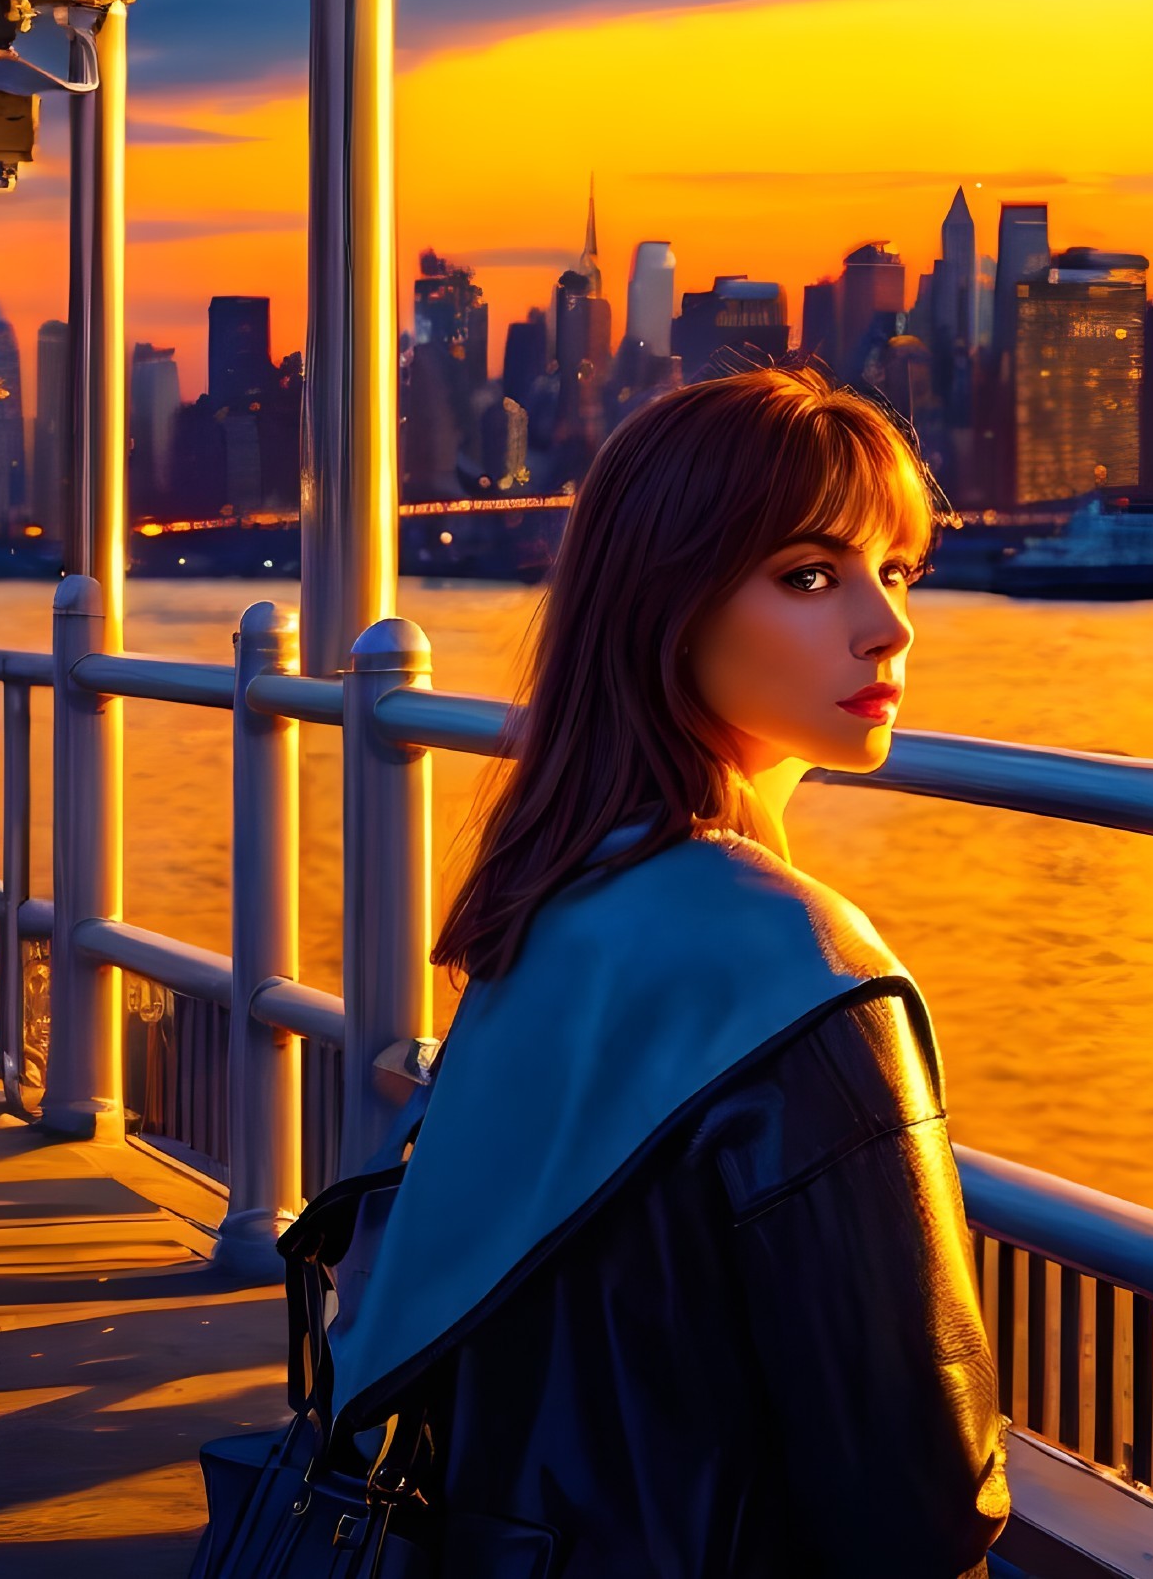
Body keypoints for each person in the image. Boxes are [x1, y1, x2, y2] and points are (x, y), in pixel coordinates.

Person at [328, 366, 1006, 1577]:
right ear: (669, 605)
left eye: (893, 572)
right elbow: (921, 1502)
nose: (888, 626)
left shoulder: (549, 911)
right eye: (810, 575)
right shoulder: (804, 984)